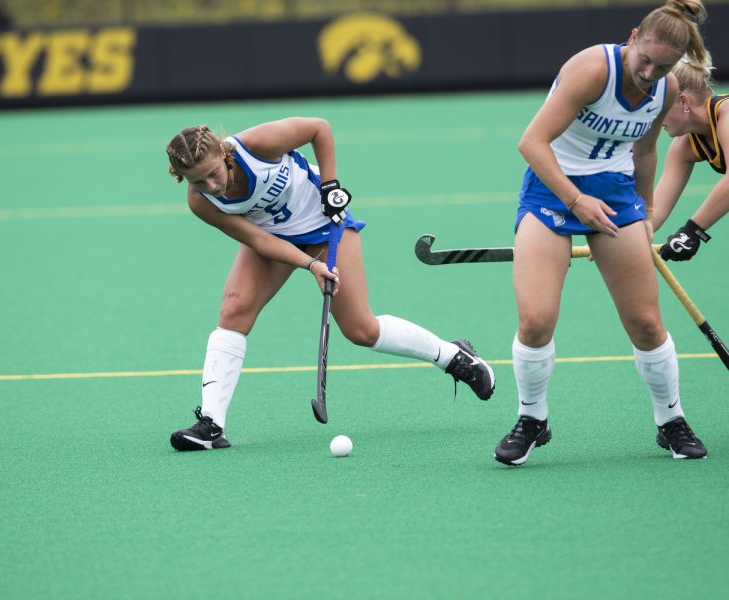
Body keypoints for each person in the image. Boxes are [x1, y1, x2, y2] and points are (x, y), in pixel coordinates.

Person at [165, 118, 496, 451]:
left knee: (361, 330)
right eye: (199, 181)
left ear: (223, 153)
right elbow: (257, 239)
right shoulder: (200, 202)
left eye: (213, 173)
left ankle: (455, 357)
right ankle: (211, 424)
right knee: (234, 308)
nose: (211, 185)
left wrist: (330, 185)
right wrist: (310, 265)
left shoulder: (256, 146)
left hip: (325, 224)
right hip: (274, 238)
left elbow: (318, 129)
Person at [494, 0, 711, 466]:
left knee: (647, 323)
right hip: (553, 192)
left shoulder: (666, 89)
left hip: (615, 198)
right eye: (645, 59)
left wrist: (646, 212)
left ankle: (670, 420)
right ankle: (532, 418)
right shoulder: (592, 69)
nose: (649, 73)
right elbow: (531, 143)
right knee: (535, 320)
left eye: (663, 66)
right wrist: (575, 201)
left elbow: (647, 151)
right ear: (632, 37)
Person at [652, 52, 727, 260]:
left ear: (683, 101)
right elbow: (656, 210)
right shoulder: (683, 146)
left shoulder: (727, 114)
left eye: (658, 107)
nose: (653, 118)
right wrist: (622, 239)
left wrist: (693, 230)